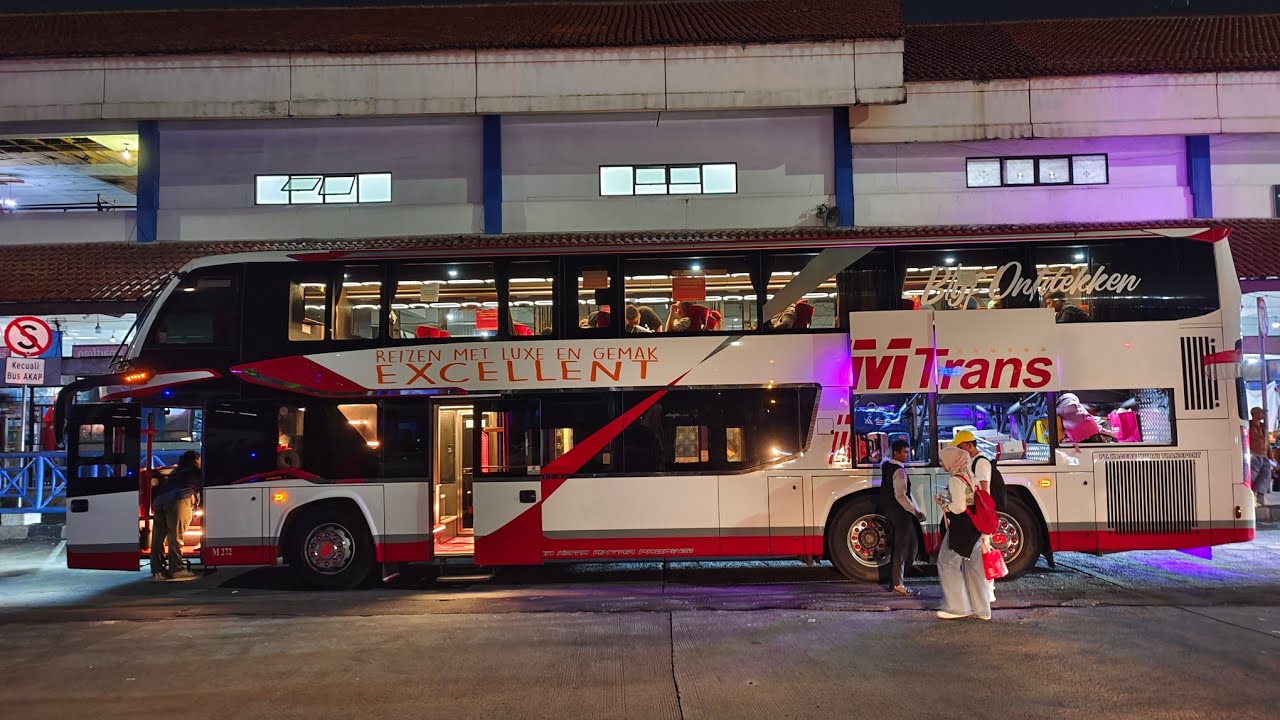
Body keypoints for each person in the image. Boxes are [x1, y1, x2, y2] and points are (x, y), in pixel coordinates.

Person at [934, 445, 991, 620]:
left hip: (962, 526)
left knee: (946, 562)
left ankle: (957, 607)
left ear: (952, 460)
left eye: (943, 460)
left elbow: (958, 507)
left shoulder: (955, 479)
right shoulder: (968, 475)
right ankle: (982, 610)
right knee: (974, 568)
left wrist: (944, 505)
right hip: (974, 526)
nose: (942, 463)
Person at [952, 430, 997, 604]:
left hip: (981, 514)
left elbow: (985, 490)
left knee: (984, 551)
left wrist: (980, 514)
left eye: (960, 447)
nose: (958, 450)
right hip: (977, 514)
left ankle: (988, 591)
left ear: (969, 445)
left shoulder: (981, 462)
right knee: (979, 551)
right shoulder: (973, 461)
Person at [877, 439, 926, 596]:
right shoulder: (899, 471)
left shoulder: (887, 467)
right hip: (900, 514)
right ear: (896, 453)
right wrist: (916, 511)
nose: (907, 455)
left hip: (889, 513)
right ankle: (898, 585)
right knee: (901, 549)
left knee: (896, 548)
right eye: (904, 452)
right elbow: (902, 495)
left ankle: (895, 584)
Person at [149, 450, 202, 582]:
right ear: (196, 459)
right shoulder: (195, 472)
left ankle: (157, 570)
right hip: (178, 500)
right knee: (175, 536)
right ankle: (177, 569)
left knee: (158, 537)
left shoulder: (175, 472)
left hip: (159, 501)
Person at [1249, 407, 1271, 500]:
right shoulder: (1249, 425)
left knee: (1265, 475)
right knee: (1253, 474)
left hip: (1263, 455)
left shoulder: (1263, 427)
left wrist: (1271, 456)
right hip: (1254, 454)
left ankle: (1258, 495)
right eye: (1260, 413)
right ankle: (1250, 494)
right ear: (1255, 414)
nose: (1262, 415)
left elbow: (1267, 443)